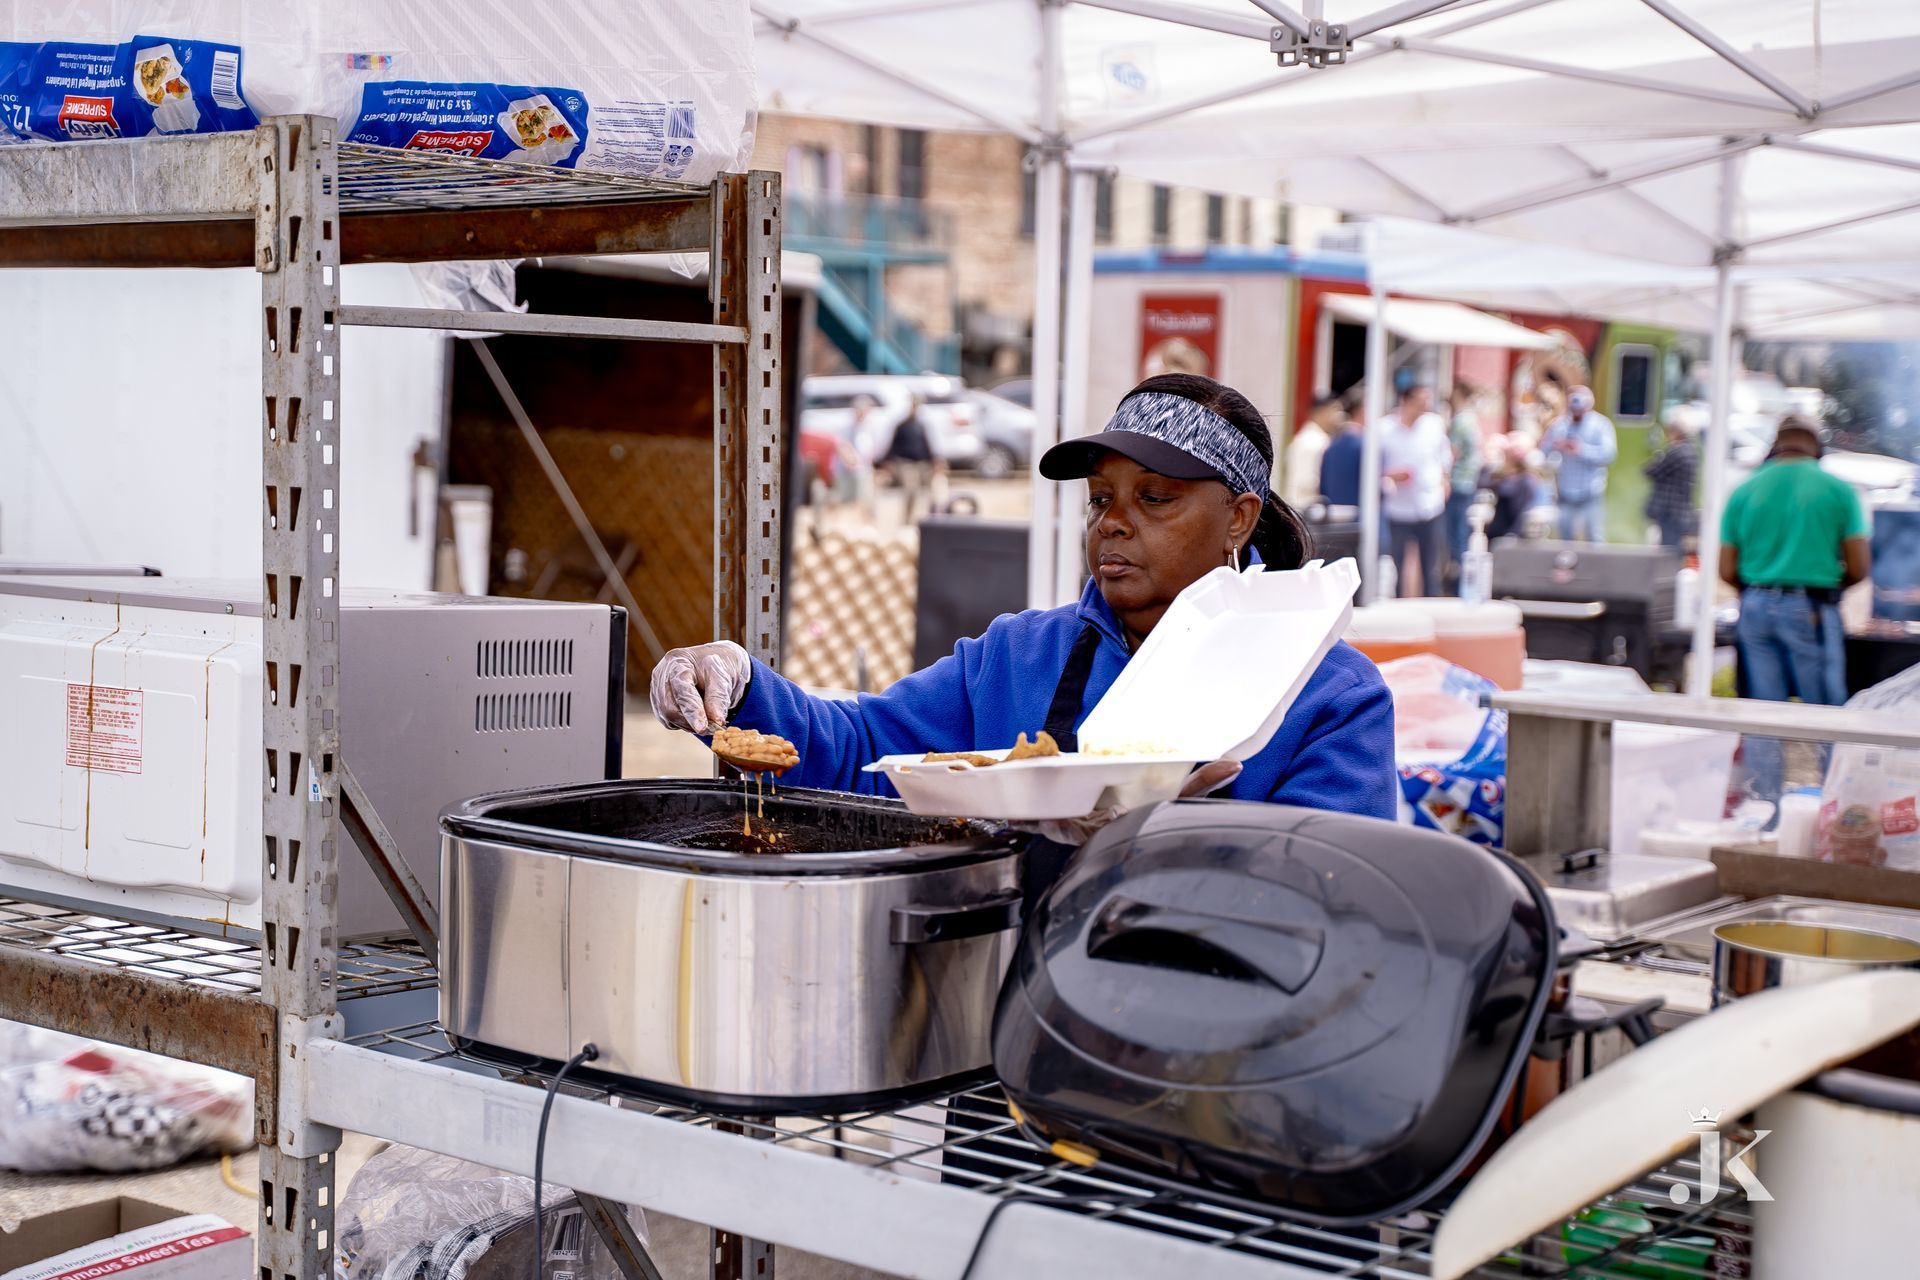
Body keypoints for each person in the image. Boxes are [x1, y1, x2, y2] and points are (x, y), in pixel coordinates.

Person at [650, 372, 1399, 834]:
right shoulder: (1017, 657)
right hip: (1004, 1037)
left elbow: (1336, 900)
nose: (1113, 521)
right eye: (1100, 498)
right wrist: (742, 682)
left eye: (1156, 499)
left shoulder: (1332, 695)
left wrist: (1169, 839)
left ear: (1238, 517)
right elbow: (859, 751)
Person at [1720, 415, 1870, 800]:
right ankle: (1836, 809)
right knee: (1825, 715)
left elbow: (1725, 568)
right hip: (1812, 608)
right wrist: (1826, 587)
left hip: (1753, 607)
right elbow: (1859, 566)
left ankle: (1764, 812)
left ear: (1776, 447)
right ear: (1816, 449)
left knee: (1764, 716)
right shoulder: (1837, 490)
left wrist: (1759, 591)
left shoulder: (1744, 490)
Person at [1378, 384, 1451, 597]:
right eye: (1420, 402)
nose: (1425, 407)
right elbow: (1375, 466)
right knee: (1397, 564)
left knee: (1431, 566)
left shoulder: (1434, 425)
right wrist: (1390, 475)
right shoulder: (1384, 429)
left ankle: (1432, 603)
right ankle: (1399, 605)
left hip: (1429, 503)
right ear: (1406, 401)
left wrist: (1445, 481)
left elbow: (1443, 456)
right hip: (1398, 506)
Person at [1543, 385, 1617, 542]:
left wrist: (1581, 450)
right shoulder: (1560, 425)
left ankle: (1596, 566)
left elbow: (1609, 454)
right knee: (1565, 532)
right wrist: (1556, 445)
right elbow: (1544, 451)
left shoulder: (1601, 425)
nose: (1576, 413)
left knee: (1593, 533)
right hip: (1565, 489)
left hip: (1590, 489)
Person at [1643, 405, 1701, 550]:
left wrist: (1659, 456)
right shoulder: (1691, 451)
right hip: (1680, 510)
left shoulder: (1675, 452)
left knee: (1667, 549)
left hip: (1670, 511)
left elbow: (1650, 470)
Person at [1444, 383, 1483, 589]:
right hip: (1468, 482)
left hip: (1458, 483)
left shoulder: (1460, 421)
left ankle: (1460, 584)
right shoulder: (1471, 419)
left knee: (1456, 535)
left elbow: (1453, 453)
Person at [881, 393, 936, 523]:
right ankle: (907, 519)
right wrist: (888, 462)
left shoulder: (921, 426)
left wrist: (934, 461)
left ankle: (929, 519)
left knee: (930, 493)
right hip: (906, 463)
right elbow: (893, 445)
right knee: (911, 491)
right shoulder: (902, 426)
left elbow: (927, 445)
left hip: (922, 463)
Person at [1284, 393, 1343, 510]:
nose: (1338, 417)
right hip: (1310, 509)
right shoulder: (1318, 442)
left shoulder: (1301, 438)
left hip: (1296, 507)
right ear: (1322, 412)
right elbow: (1309, 482)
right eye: (1335, 411)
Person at [1481, 434, 1539, 541]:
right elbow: (1482, 483)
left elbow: (1523, 511)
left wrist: (1513, 533)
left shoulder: (1527, 480)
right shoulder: (1501, 475)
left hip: (1513, 531)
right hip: (1497, 530)